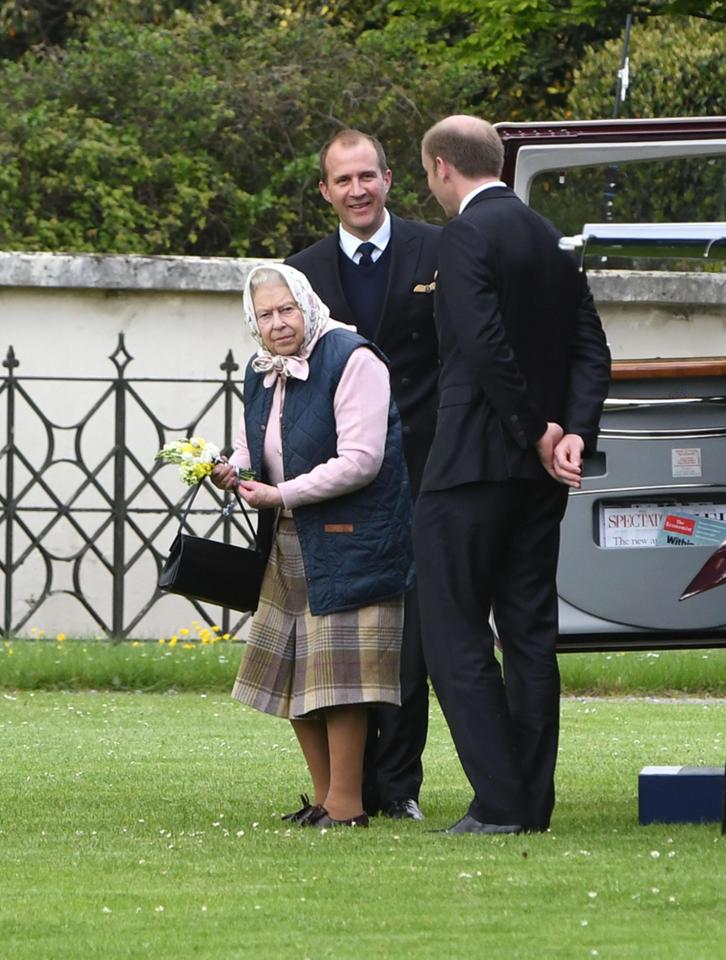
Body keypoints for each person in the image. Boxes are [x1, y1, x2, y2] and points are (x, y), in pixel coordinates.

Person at [415, 115, 611, 835]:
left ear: (441, 167)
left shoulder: (466, 234)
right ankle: (529, 804)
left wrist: (536, 433)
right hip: (536, 479)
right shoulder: (547, 238)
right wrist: (572, 435)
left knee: (452, 631)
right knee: (528, 632)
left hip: (471, 463)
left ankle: (499, 804)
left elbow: (482, 341)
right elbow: (592, 349)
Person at [211, 262, 413, 829]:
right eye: (266, 314)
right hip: (290, 537)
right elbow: (259, 441)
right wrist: (231, 467)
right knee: (295, 673)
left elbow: (362, 460)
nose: (278, 324)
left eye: (287, 310)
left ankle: (348, 805)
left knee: (341, 678)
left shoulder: (353, 357)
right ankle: (325, 799)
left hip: (353, 539)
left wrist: (281, 493)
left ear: (306, 304)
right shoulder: (262, 371)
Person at [286, 129, 440, 821]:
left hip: (425, 470)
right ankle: (342, 789)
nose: (356, 190)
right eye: (342, 180)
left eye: (367, 177)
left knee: (407, 638)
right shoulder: (300, 273)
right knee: (342, 635)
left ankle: (395, 786)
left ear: (387, 179)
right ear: (324, 190)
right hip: (336, 482)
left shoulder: (437, 251)